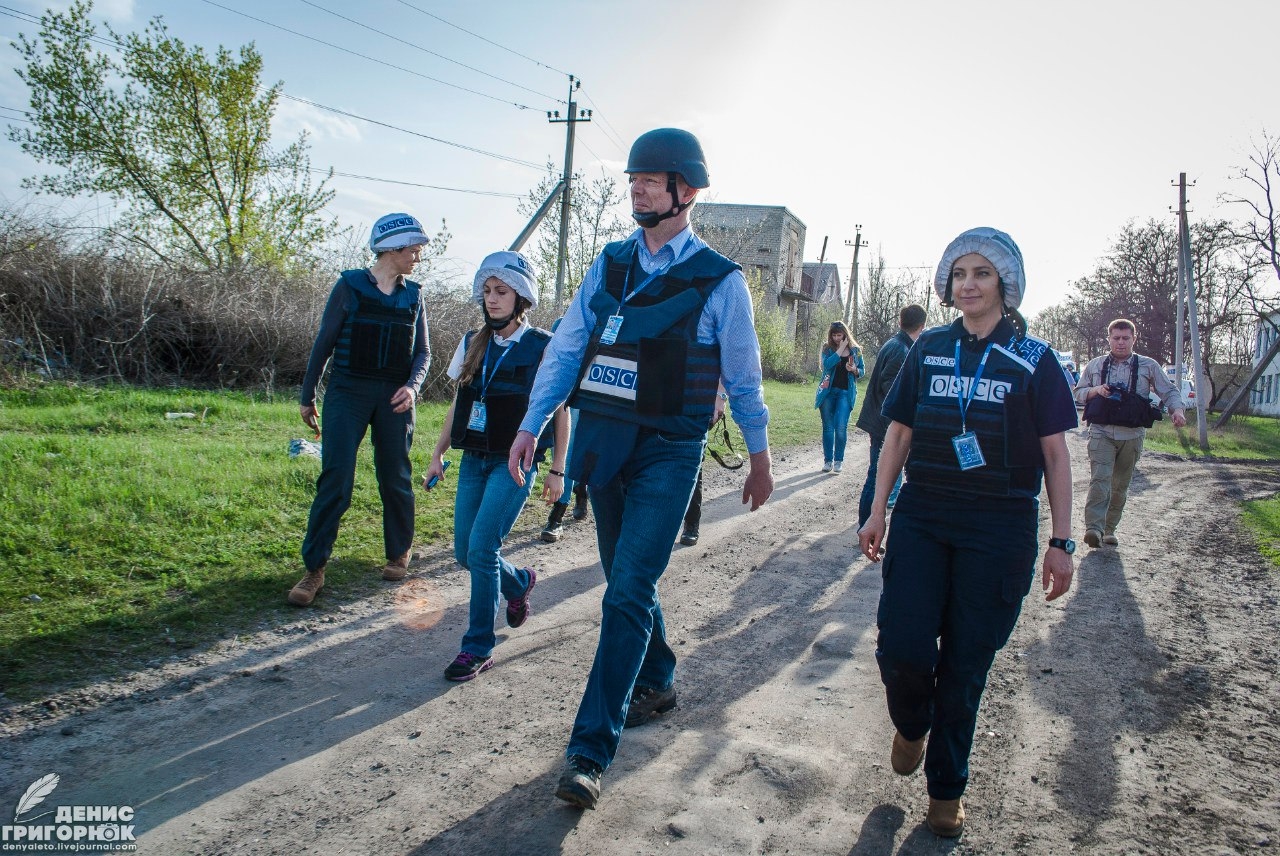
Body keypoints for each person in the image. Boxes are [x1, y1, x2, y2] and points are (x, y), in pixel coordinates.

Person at [507, 128, 774, 810]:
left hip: (671, 450)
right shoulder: (610, 264)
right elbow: (568, 345)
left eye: (651, 179)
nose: (637, 188)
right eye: (633, 178)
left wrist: (761, 455)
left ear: (686, 190)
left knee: (624, 592)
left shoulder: (720, 281)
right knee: (630, 581)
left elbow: (743, 378)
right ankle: (657, 677)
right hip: (604, 442)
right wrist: (533, 422)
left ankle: (590, 750)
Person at [857, 227, 1077, 839]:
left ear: (1004, 282)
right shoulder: (926, 349)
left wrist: (1062, 541)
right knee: (901, 644)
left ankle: (947, 790)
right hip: (924, 515)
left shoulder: (1036, 360)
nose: (969, 284)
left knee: (965, 664)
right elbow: (896, 434)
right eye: (959, 274)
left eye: (982, 272)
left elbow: (1056, 457)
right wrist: (877, 510)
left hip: (999, 527)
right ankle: (911, 723)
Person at [422, 251, 568, 681]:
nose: (491, 298)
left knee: (483, 548)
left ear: (521, 297)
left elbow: (561, 411)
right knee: (465, 553)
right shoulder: (472, 343)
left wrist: (559, 470)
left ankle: (477, 647)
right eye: (486, 291)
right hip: (473, 460)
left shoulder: (543, 346)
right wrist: (437, 453)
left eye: (501, 291)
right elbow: (459, 404)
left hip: (515, 464)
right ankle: (519, 584)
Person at [289, 213, 432, 607]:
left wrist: (413, 386)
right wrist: (308, 395)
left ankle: (398, 551)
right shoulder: (349, 286)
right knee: (336, 478)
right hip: (347, 392)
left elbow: (423, 352)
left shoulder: (414, 295)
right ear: (392, 249)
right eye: (414, 250)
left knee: (396, 477)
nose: (417, 257)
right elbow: (324, 342)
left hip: (394, 398)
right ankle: (314, 568)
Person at [1074, 318, 1186, 548]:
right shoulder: (1095, 365)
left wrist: (1178, 411)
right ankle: (1093, 528)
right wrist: (1096, 390)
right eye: (1116, 338)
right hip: (1101, 432)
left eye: (1126, 338)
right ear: (1109, 339)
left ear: (1134, 339)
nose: (1121, 343)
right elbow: (1078, 393)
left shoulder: (1148, 366)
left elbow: (1169, 391)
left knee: (1120, 485)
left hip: (1132, 435)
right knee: (1100, 479)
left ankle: (1109, 529)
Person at [856, 304, 926, 527]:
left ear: (900, 322)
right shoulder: (902, 350)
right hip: (883, 423)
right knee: (877, 478)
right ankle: (865, 525)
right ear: (922, 326)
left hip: (879, 419)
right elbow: (890, 387)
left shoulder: (896, 344)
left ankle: (866, 524)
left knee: (877, 476)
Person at [814, 321, 864, 473]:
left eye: (839, 335)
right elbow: (826, 365)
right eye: (834, 335)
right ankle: (828, 461)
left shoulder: (856, 350)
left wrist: (854, 369)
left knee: (841, 427)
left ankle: (838, 461)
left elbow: (862, 371)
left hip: (845, 393)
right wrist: (841, 348)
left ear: (845, 334)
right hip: (828, 392)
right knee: (828, 428)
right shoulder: (827, 348)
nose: (836, 338)